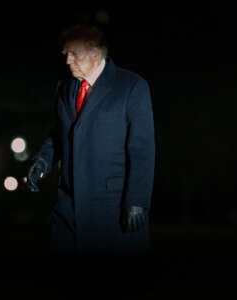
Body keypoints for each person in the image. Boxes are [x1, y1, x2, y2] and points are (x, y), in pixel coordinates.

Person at [27, 23, 155, 256]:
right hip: (67, 207)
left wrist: (137, 200)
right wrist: (43, 161)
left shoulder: (132, 87)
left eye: (75, 54)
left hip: (112, 207)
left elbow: (142, 150)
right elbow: (58, 134)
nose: (68, 61)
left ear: (95, 53)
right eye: (66, 54)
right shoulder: (64, 88)